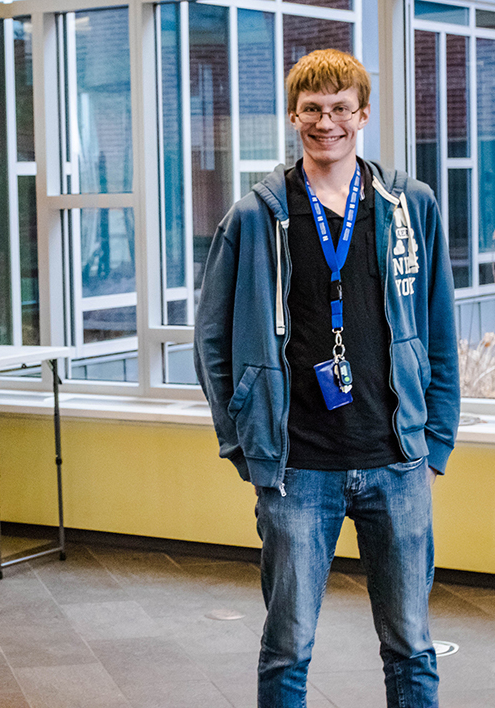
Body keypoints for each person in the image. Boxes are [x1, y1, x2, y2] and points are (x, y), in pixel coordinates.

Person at [192, 49, 460, 708]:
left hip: (398, 461)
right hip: (296, 468)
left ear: (363, 115)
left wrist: (437, 445)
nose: (326, 122)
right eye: (312, 109)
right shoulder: (257, 215)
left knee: (411, 648)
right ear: (293, 116)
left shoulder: (409, 207)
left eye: (341, 108)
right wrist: (243, 444)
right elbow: (211, 340)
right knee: (287, 649)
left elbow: (439, 328)